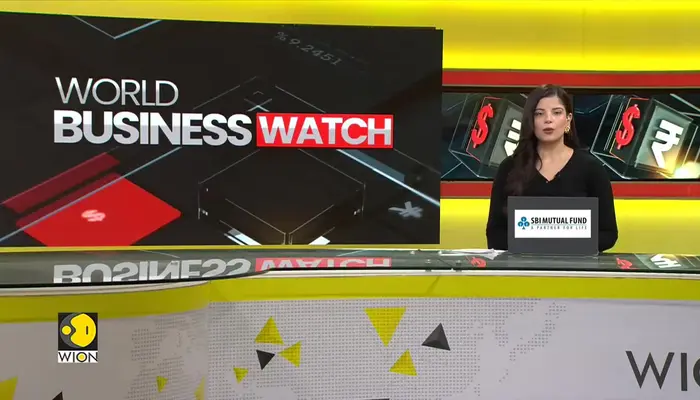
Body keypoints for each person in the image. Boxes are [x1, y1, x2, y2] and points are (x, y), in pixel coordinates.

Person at [486, 84, 618, 252]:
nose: (548, 119)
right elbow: (495, 234)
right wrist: (538, 247)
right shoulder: (509, 167)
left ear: (568, 119)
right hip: (522, 266)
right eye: (539, 114)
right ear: (530, 120)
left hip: (576, 266)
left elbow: (608, 234)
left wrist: (561, 245)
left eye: (556, 112)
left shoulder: (592, 168)